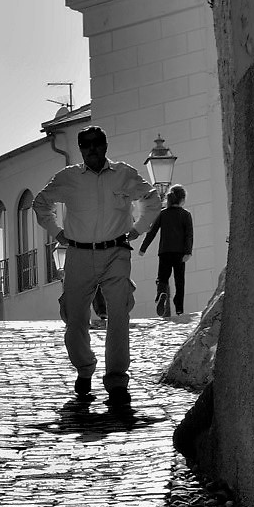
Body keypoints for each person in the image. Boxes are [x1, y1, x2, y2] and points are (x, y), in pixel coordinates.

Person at [34, 125, 162, 418]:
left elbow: (152, 199)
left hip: (116, 252)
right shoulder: (68, 178)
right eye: (86, 144)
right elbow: (41, 203)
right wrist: (57, 232)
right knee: (74, 317)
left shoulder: (123, 174)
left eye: (96, 142)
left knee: (119, 313)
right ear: (80, 149)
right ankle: (84, 368)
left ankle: (117, 381)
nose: (91, 148)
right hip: (78, 254)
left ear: (105, 145)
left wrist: (137, 230)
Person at [139, 183, 193, 318]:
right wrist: (188, 252)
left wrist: (143, 248)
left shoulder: (163, 214)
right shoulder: (186, 215)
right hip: (180, 253)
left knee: (162, 277)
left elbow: (152, 232)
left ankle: (161, 293)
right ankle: (179, 308)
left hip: (164, 251)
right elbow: (189, 235)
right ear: (182, 199)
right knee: (179, 280)